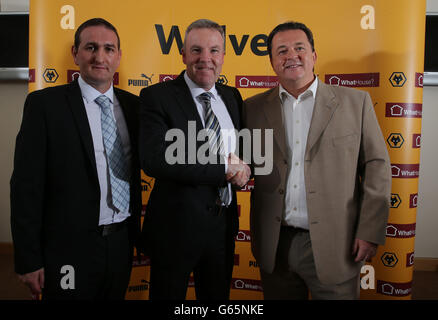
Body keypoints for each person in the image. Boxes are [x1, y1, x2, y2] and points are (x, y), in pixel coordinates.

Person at [242, 21, 391, 299]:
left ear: (314, 56)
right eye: (282, 51)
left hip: (338, 243)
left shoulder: (355, 103)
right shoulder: (252, 108)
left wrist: (370, 229)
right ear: (272, 62)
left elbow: (376, 166)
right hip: (275, 245)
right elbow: (244, 162)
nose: (291, 56)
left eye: (300, 48)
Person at [10, 18, 141, 300]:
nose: (99, 56)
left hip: (120, 242)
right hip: (68, 248)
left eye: (109, 48)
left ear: (118, 56)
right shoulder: (45, 106)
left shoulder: (135, 107)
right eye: (90, 47)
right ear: (75, 53)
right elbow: (25, 187)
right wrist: (28, 260)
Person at [139, 19, 250, 300]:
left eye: (214, 51)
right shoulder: (157, 96)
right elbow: (156, 158)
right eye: (196, 50)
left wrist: (246, 170)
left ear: (223, 56)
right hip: (175, 229)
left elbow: (243, 152)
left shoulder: (232, 96)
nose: (205, 59)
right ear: (184, 55)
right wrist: (225, 168)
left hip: (222, 227)